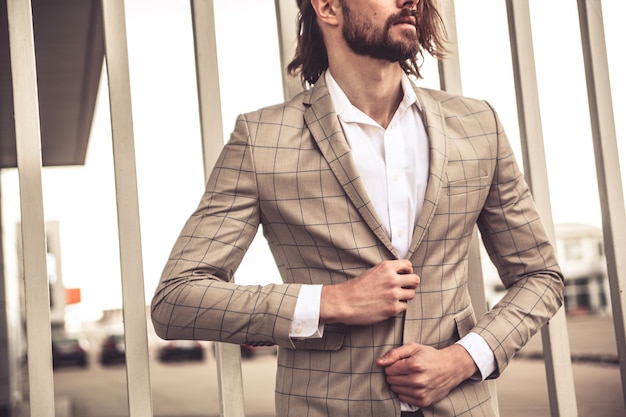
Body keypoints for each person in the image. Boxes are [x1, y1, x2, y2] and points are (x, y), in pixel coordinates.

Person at [151, 0, 564, 416]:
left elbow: (540, 276)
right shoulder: (261, 140)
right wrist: (330, 302)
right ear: (328, 7)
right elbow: (176, 299)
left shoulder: (478, 125)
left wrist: (463, 359)